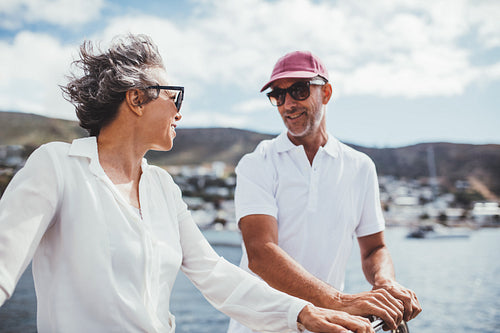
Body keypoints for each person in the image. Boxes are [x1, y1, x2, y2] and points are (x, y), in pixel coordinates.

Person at [0, 34, 376, 333]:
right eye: (173, 95)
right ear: (135, 99)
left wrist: (305, 313)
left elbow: (215, 274)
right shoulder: (57, 166)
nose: (180, 111)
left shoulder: (162, 186)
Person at [227, 51, 422, 333]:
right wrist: (339, 301)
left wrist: (385, 282)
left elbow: (374, 249)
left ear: (326, 92)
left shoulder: (360, 167)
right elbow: (260, 253)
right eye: (278, 96)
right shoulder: (258, 163)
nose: (287, 104)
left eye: (298, 90)